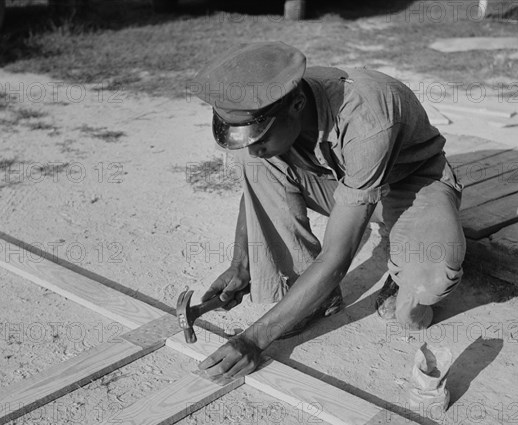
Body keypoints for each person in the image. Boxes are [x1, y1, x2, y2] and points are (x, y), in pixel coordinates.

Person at [191, 41, 466, 381]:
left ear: (298, 104)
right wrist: (241, 264)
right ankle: (314, 297)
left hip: (412, 184)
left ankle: (402, 271)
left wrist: (254, 339)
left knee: (428, 284)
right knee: (257, 161)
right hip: (344, 181)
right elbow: (256, 190)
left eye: (260, 136)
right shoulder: (276, 112)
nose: (255, 147)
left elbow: (339, 256)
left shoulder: (366, 118)